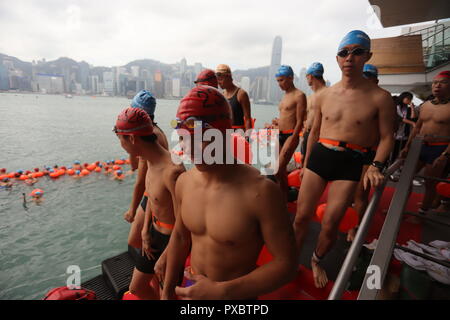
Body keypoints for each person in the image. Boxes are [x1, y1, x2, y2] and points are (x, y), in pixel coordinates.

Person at [161, 85, 297, 300]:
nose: (189, 149)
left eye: (198, 139)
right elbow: (180, 236)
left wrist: (221, 291)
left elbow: (287, 264)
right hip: (191, 288)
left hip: (236, 297)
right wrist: (167, 291)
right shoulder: (184, 183)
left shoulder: (261, 192)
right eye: (183, 139)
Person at [294, 30, 395, 288]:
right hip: (320, 156)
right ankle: (290, 260)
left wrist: (376, 165)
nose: (349, 57)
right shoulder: (324, 95)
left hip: (351, 160)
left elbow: (387, 138)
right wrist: (305, 164)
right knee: (301, 216)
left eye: (357, 51)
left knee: (331, 223)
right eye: (344, 52)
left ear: (367, 56)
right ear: (337, 59)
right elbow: (314, 132)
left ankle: (316, 259)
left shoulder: (379, 98)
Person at [114, 107, 185, 300]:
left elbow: (184, 222)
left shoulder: (173, 171)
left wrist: (165, 256)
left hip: (171, 242)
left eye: (121, 139)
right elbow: (151, 199)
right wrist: (145, 229)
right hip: (153, 236)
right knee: (136, 288)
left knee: (168, 296)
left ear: (132, 139)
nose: (121, 145)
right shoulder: (149, 162)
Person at [123, 90, 169, 250]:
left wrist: (132, 210)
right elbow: (135, 166)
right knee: (141, 240)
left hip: (152, 195)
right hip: (154, 191)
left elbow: (141, 180)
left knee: (135, 240)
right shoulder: (154, 131)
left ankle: (154, 273)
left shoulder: (149, 137)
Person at [400, 70, 450, 215]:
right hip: (419, 146)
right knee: (405, 178)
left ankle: (422, 213)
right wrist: (407, 147)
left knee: (430, 184)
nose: (437, 86)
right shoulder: (426, 105)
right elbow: (417, 128)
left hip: (439, 149)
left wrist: (445, 155)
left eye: (443, 83)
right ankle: (400, 209)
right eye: (435, 82)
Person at [347, 63, 381, 241]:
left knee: (360, 195)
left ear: (376, 80)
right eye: (363, 77)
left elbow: (388, 135)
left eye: (368, 77)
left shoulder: (382, 101)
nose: (365, 81)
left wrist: (377, 163)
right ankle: (348, 222)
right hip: (348, 151)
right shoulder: (354, 99)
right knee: (347, 193)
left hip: (368, 153)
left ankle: (356, 228)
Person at [274, 65, 307, 195]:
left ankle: (284, 195)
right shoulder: (284, 96)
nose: (279, 84)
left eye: (282, 80)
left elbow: (299, 120)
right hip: (279, 134)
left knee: (278, 169)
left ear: (291, 78)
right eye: (277, 81)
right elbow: (286, 116)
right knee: (277, 170)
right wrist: (276, 123)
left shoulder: (299, 95)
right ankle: (284, 194)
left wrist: (294, 137)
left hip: (290, 136)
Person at [301, 62, 327, 162]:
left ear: (310, 76)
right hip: (307, 134)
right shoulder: (312, 97)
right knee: (304, 162)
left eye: (306, 76)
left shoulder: (326, 94)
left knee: (311, 164)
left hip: (319, 136)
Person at [216, 64, 253, 132]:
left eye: (220, 79)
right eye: (217, 80)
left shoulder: (241, 94)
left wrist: (248, 137)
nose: (219, 83)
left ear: (228, 77)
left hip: (238, 133)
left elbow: (247, 119)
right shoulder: (222, 95)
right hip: (225, 134)